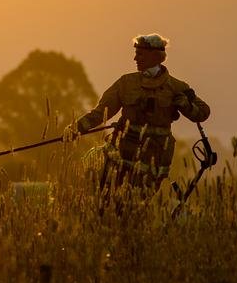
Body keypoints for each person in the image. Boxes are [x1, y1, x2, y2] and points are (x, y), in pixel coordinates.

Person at [64, 33, 210, 197]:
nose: (135, 58)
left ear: (156, 56)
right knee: (108, 201)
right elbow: (100, 114)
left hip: (153, 162)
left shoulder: (177, 87)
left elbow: (203, 113)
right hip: (121, 158)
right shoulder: (126, 83)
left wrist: (187, 105)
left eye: (140, 54)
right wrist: (76, 129)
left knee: (139, 205)